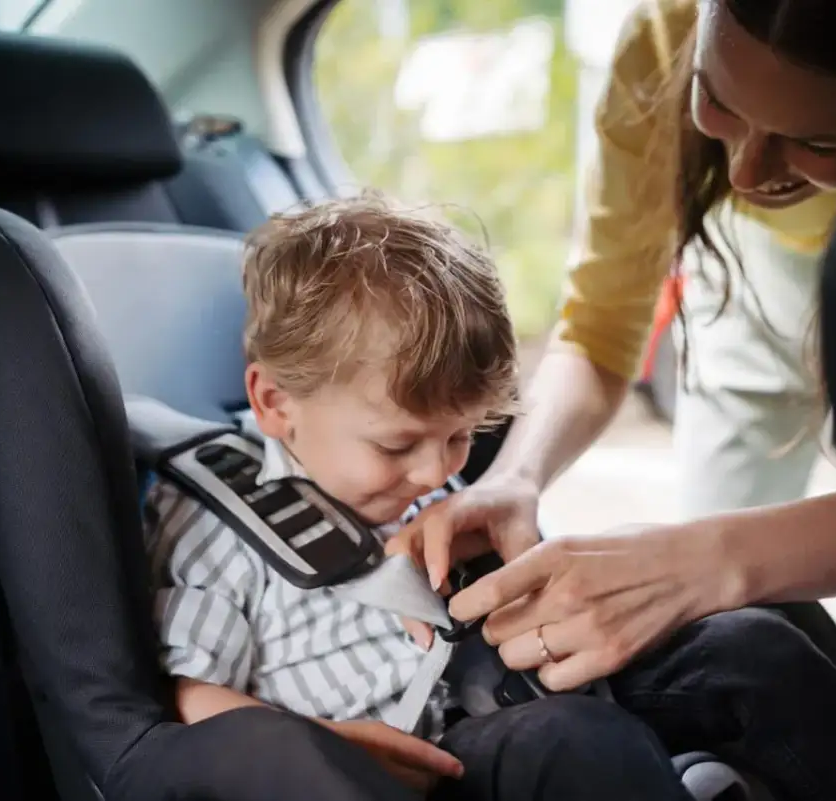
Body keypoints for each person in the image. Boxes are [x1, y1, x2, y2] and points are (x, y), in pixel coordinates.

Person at [388, 0, 836, 792]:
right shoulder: (662, 38)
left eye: (816, 141)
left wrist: (713, 560)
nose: (746, 172)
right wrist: (517, 475)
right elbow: (603, 324)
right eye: (717, 102)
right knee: (714, 609)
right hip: (737, 300)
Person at [142, 194, 692, 801]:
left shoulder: (410, 476)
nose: (435, 472)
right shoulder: (215, 521)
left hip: (503, 699)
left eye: (461, 435)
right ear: (275, 405)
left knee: (740, 648)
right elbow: (184, 691)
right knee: (576, 744)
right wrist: (312, 746)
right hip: (393, 772)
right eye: (397, 445)